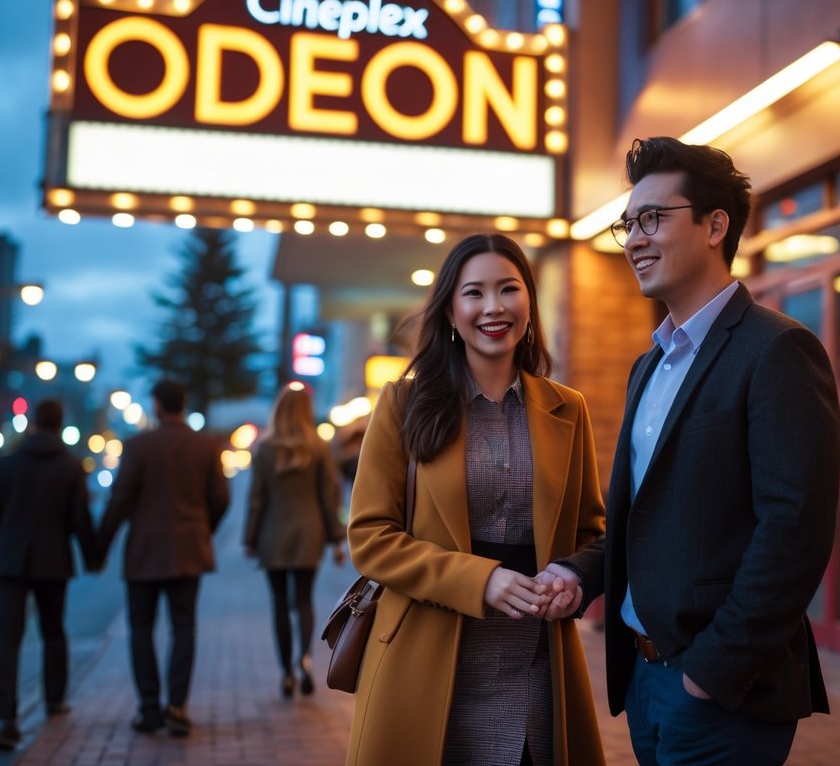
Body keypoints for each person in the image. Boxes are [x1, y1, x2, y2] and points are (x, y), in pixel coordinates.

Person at [548, 137, 840, 765]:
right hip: (646, 678)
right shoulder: (649, 363)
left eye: (653, 218)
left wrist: (711, 672)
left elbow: (795, 530)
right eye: (629, 223)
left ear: (716, 226)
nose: (633, 239)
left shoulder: (776, 351)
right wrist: (580, 573)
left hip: (720, 688)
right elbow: (649, 517)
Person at [345, 233, 607, 766]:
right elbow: (370, 539)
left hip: (537, 665)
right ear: (449, 310)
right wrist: (481, 579)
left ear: (529, 304)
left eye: (508, 289)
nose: (494, 307)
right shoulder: (403, 404)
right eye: (474, 293)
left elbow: (592, 534)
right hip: (425, 660)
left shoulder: (567, 409)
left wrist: (574, 578)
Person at [96, 379, 230, 737]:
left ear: (156, 405)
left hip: (143, 552)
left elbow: (120, 501)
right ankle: (177, 706)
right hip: (189, 550)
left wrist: (99, 549)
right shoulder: (205, 446)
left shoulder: (138, 446)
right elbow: (221, 498)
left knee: (140, 628)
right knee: (183, 626)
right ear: (183, 404)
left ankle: (149, 708)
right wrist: (203, 529)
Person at [0, 398, 97, 751]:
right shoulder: (71, 468)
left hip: (9, 563)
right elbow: (79, 520)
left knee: (7, 640)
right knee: (54, 632)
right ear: (60, 424)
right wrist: (93, 556)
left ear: (33, 422)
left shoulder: (7, 465)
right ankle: (54, 699)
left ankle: (4, 718)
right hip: (52, 561)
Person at [244, 382, 346, 698]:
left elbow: (256, 499)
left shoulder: (265, 448)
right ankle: (305, 660)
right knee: (303, 600)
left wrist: (250, 538)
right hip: (309, 532)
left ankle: (286, 672)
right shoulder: (318, 447)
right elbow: (329, 497)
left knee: (278, 605)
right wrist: (336, 539)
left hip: (273, 534)